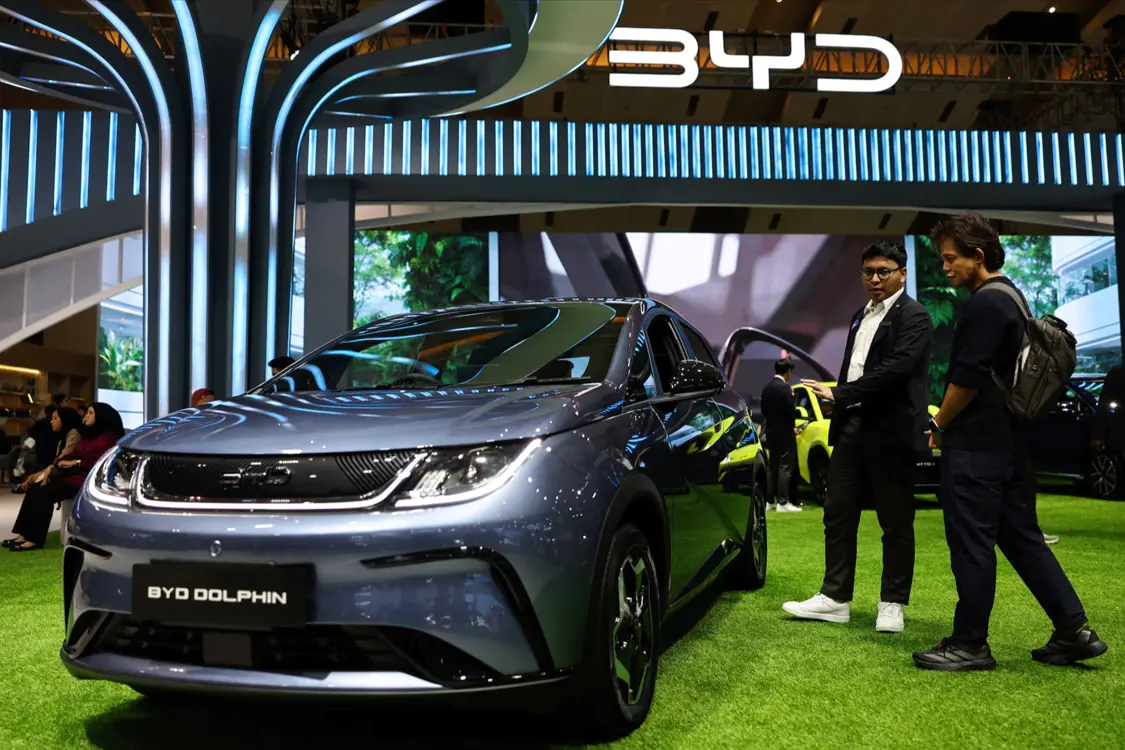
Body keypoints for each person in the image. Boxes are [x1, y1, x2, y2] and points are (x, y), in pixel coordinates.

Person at [913, 212, 1107, 671]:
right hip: (1010, 442)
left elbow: (967, 380)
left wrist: (939, 423)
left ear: (978, 256)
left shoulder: (984, 304)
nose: (945, 267)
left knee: (972, 544)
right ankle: (1074, 630)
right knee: (1023, 539)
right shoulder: (1013, 297)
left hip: (976, 446)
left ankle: (970, 644)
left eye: (951, 259)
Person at [782, 240, 933, 634]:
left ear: (902, 273)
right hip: (851, 427)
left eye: (884, 271)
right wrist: (841, 402)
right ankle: (835, 598)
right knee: (837, 512)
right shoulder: (858, 316)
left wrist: (842, 394)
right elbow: (855, 368)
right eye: (869, 272)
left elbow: (895, 371)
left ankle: (892, 602)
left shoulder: (915, 316)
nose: (875, 279)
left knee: (895, 521)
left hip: (892, 431)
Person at [4, 403, 124, 552]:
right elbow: (74, 453)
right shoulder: (90, 435)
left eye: (91, 413)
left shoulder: (108, 438)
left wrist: (76, 463)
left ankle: (34, 539)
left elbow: (101, 462)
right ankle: (24, 535)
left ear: (101, 417)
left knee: (44, 491)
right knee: (35, 488)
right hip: (75, 474)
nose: (86, 416)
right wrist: (59, 462)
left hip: (87, 479)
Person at [760, 358, 803, 513]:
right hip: (785, 432)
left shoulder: (767, 388)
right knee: (785, 467)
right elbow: (791, 411)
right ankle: (783, 503)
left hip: (771, 432)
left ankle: (770, 501)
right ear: (789, 372)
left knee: (772, 467)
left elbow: (764, 411)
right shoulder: (785, 388)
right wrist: (797, 408)